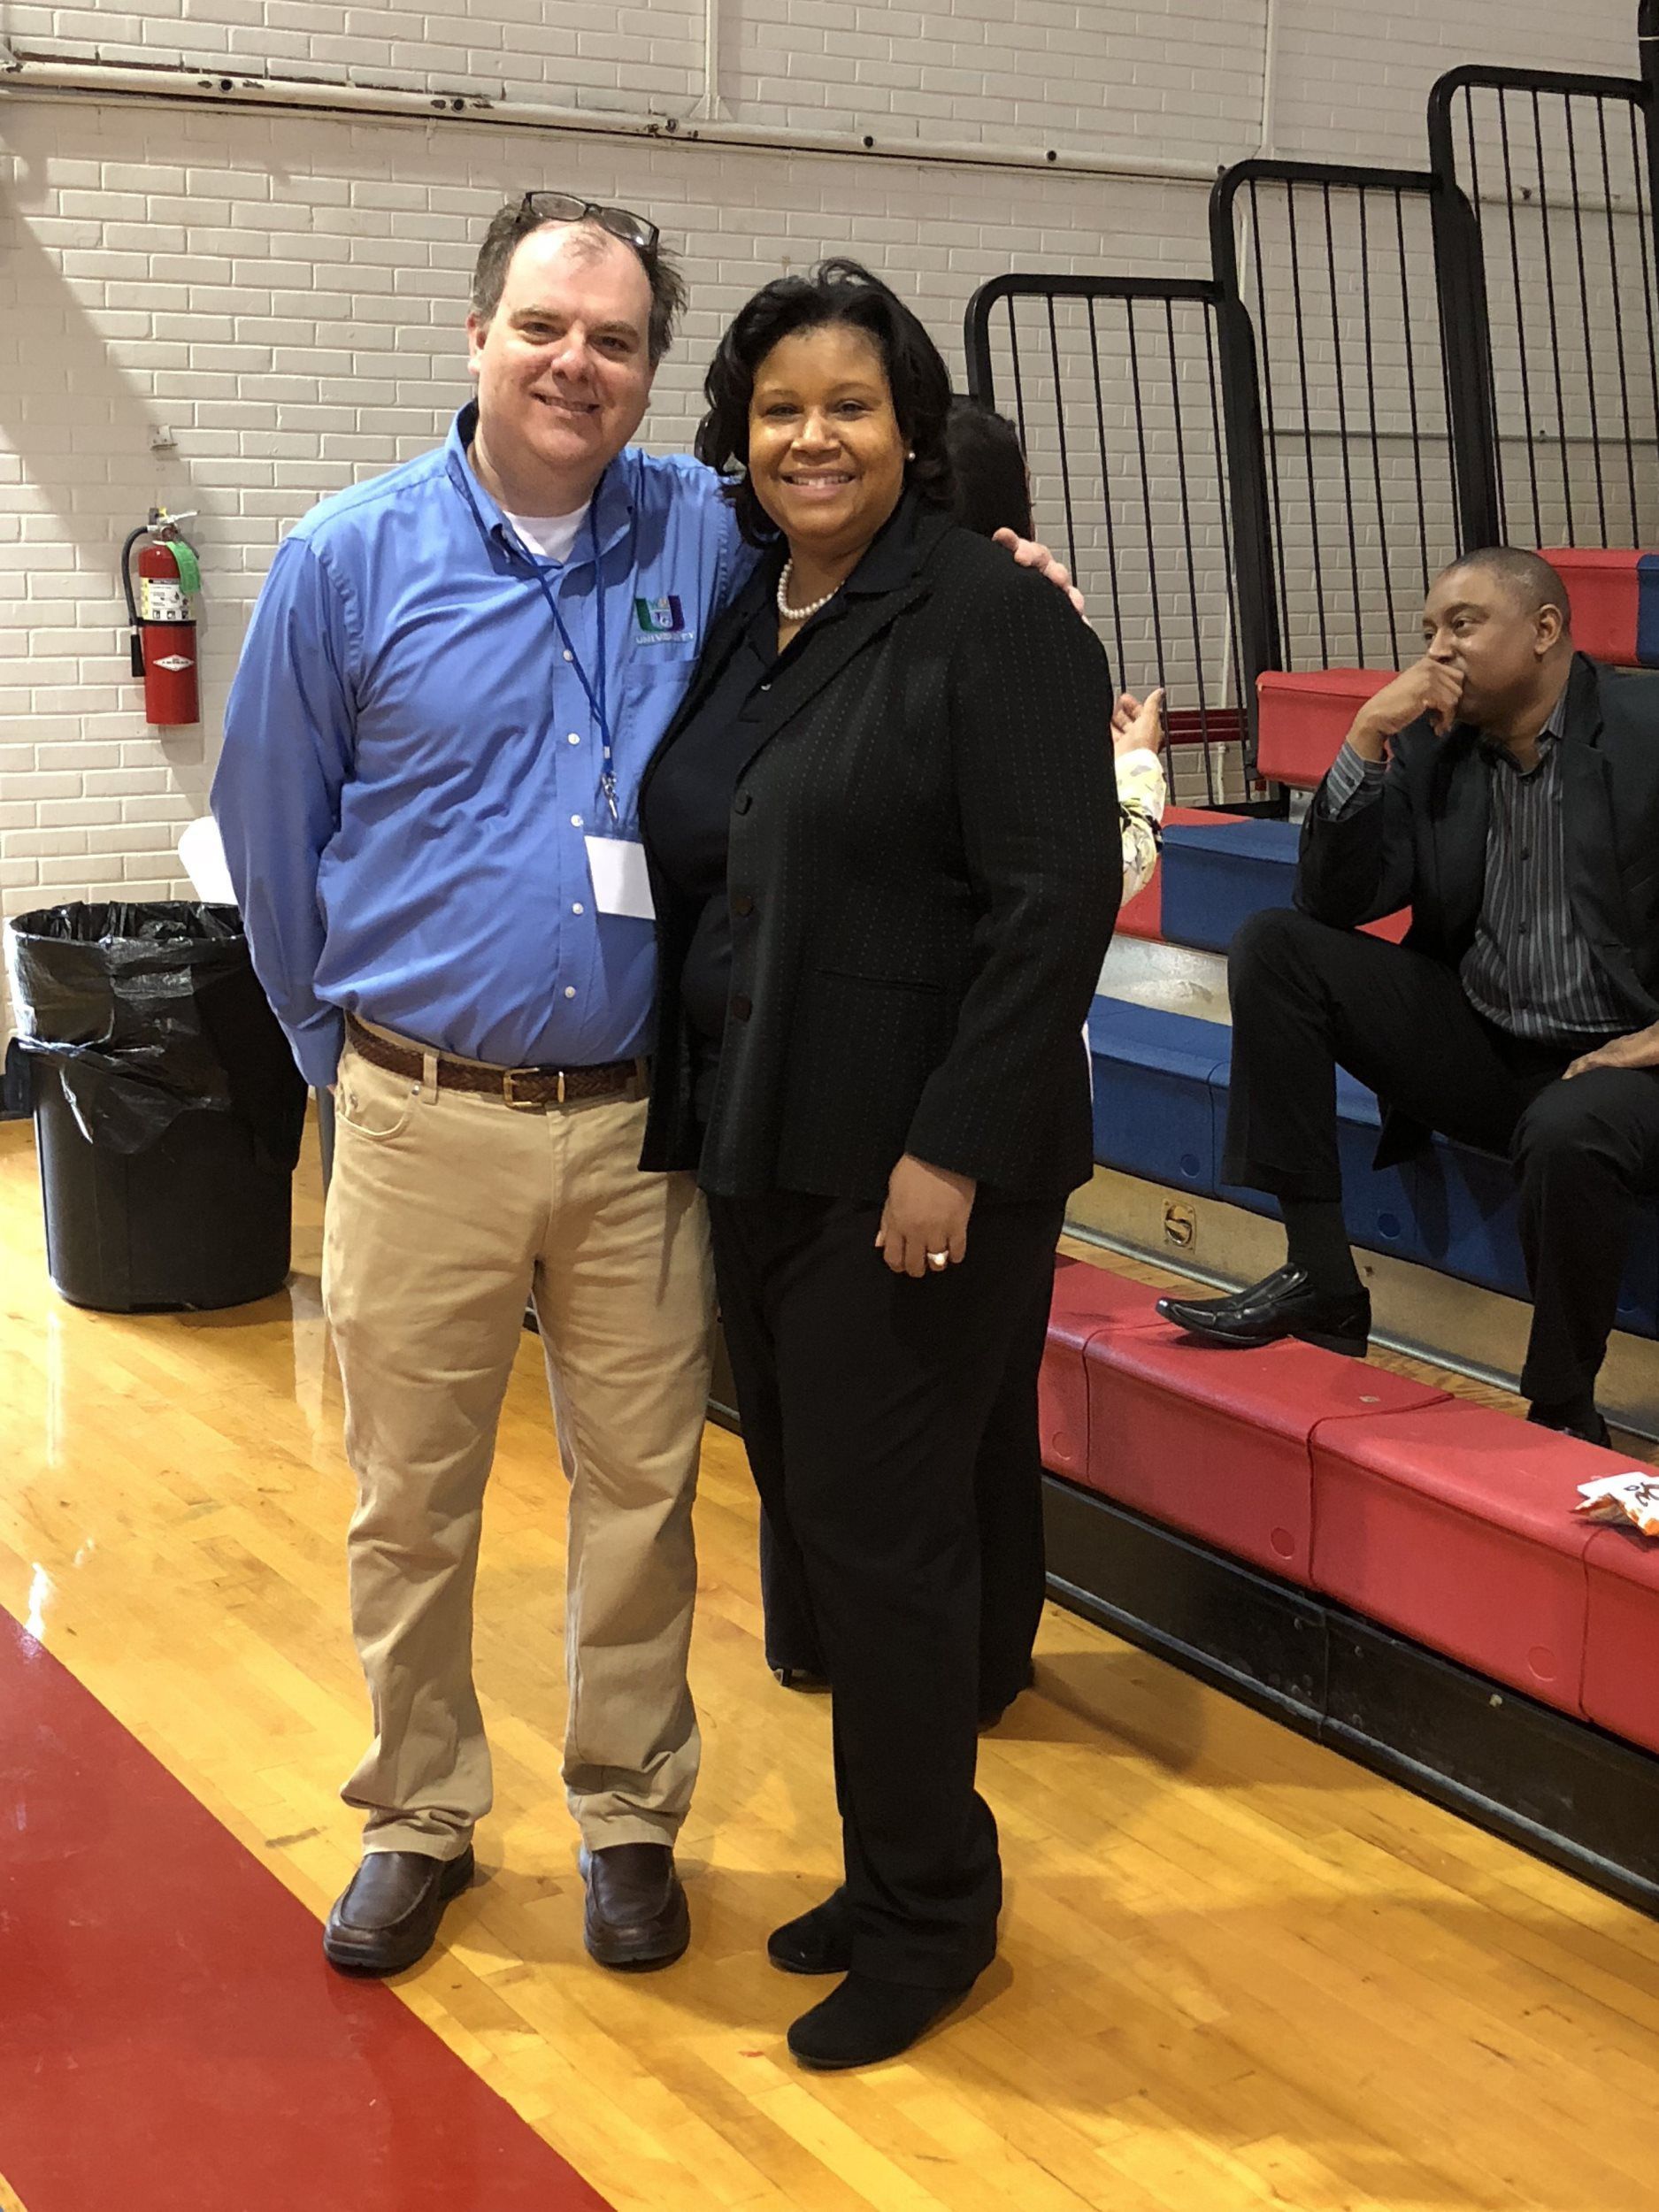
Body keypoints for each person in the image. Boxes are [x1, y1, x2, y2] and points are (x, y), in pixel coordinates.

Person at [212, 194, 1079, 1981]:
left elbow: (887, 547)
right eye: (543, 327)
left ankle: (627, 1811)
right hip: (417, 1103)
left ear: (648, 374)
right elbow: (267, 838)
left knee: (643, 1493)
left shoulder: (706, 527)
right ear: (476, 335)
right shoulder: (344, 559)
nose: (573, 365)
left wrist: (1013, 570)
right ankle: (417, 1813)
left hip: (638, 1121)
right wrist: (338, 1068)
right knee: (411, 1497)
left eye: (612, 341)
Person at [638, 261, 1120, 2068]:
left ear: (910, 429)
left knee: (891, 1552)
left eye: (846, 404)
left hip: (911, 1175)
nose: (810, 435)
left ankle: (933, 1915)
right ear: (738, 436)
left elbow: (1051, 899)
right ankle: (890, 1857)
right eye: (778, 408)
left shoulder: (991, 622)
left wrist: (951, 1151)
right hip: (760, 1141)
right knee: (833, 1545)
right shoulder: (754, 608)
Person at [757, 394, 1167, 1722]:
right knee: (898, 1416)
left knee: (962, 1413)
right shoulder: (826, 616)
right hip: (857, 1083)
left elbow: (1074, 879)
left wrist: (955, 1139)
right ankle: (852, 1638)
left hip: (980, 1095)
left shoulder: (1013, 625)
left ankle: (967, 1663)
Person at [1157, 548, 1659, 1447]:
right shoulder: (1437, 749)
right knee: (1276, 947)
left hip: (1626, 1061)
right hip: (1488, 1042)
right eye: (1427, 632)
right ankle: (1321, 1277)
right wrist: (1360, 742)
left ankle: (1562, 1404)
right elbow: (1333, 902)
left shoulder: (1645, 728)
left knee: (1570, 1125)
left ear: (1545, 630)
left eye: (1463, 624)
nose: (1438, 650)